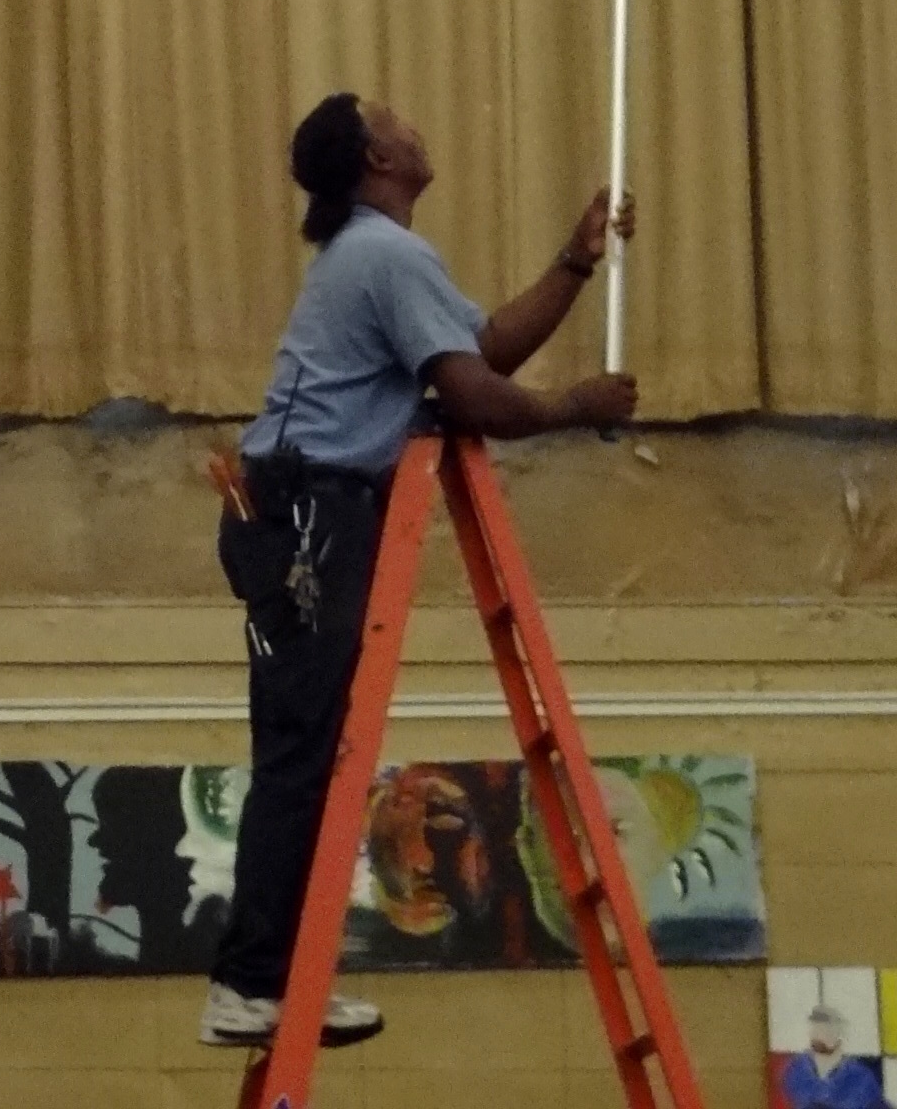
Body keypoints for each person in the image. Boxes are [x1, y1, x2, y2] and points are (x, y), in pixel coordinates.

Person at [199, 91, 638, 1052]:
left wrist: (576, 260)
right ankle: (249, 985)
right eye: (395, 116)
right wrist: (576, 407)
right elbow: (475, 394)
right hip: (309, 511)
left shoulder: (382, 258)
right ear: (375, 158)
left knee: (313, 752)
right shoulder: (383, 255)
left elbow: (478, 349)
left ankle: (277, 982)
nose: (414, 120)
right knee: (305, 756)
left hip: (304, 510)